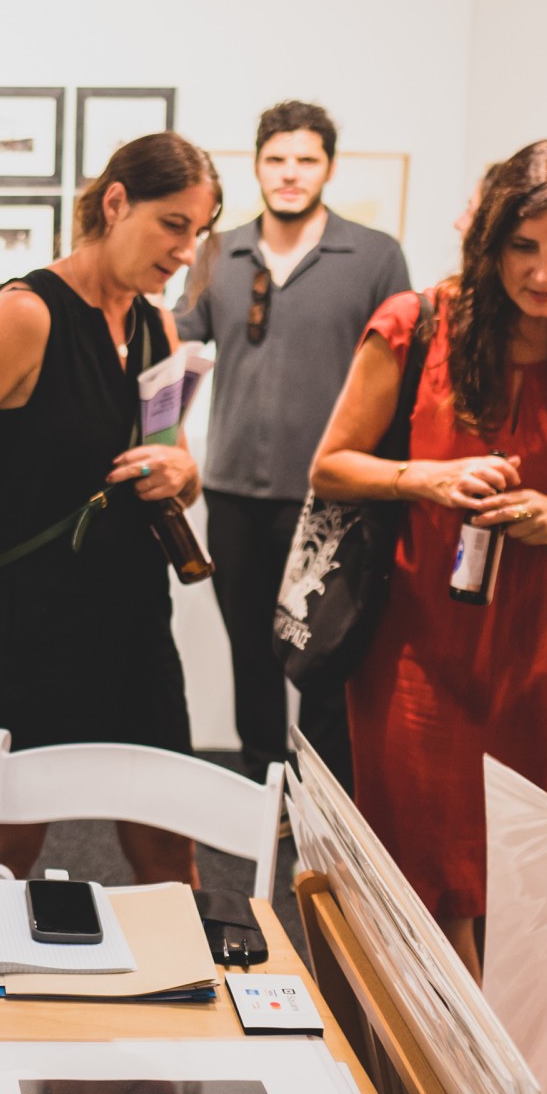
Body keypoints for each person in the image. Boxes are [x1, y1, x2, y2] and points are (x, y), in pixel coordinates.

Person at [308, 137, 547, 975]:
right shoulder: (416, 326)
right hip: (415, 646)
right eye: (523, 246)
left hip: (542, 660)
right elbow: (330, 466)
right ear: (489, 242)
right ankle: (433, 1047)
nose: (545, 272)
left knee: (512, 873)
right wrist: (427, 478)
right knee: (421, 876)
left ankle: (483, 1041)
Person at [0, 132, 218, 885]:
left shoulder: (154, 324)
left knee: (169, 849)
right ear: (116, 203)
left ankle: (188, 965)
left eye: (198, 231)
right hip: (28, 628)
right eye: (173, 224)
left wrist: (182, 470)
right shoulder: (28, 315)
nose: (186, 250)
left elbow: (172, 467)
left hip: (133, 620)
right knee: (6, 851)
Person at [178, 100, 408, 783]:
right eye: (276, 158)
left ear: (329, 168)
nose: (290, 173)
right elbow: (175, 351)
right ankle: (260, 789)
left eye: (306, 159)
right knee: (250, 654)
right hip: (231, 494)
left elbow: (404, 371)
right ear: (256, 166)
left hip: (331, 498)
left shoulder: (375, 255)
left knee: (325, 657)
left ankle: (319, 802)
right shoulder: (216, 251)